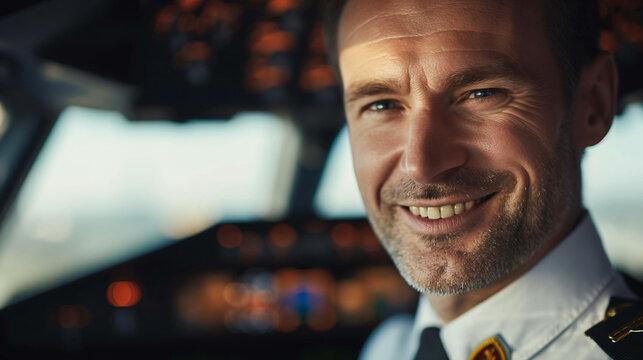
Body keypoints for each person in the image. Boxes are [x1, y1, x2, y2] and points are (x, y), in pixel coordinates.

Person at [323, 0, 642, 359]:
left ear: (592, 103)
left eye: (481, 94)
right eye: (381, 105)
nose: (421, 164)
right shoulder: (389, 347)